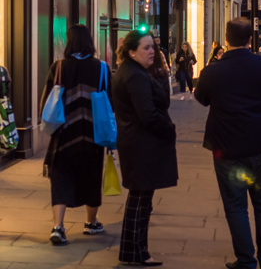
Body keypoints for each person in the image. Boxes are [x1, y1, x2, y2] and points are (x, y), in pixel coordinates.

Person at [195, 17, 261, 269]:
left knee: (236, 206)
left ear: (226, 39)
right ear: (250, 39)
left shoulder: (212, 70)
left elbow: (201, 98)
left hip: (227, 151)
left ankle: (246, 260)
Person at [112, 30, 178, 267]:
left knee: (139, 198)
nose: (152, 51)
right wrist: (169, 129)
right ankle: (137, 252)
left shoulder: (130, 72)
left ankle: (134, 251)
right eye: (146, 48)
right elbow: (147, 115)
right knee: (140, 200)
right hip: (142, 145)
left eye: (153, 47)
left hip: (135, 142)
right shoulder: (135, 76)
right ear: (132, 52)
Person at [41, 25, 110, 245]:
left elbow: (46, 102)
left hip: (64, 135)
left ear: (69, 42)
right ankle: (91, 223)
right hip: (92, 135)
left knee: (60, 179)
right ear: (90, 41)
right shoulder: (101, 68)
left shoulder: (58, 67)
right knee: (91, 177)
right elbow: (111, 102)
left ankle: (58, 227)